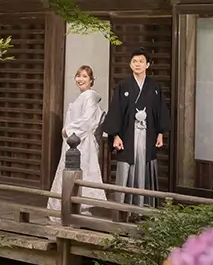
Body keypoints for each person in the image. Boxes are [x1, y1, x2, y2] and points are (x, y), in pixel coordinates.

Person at [102, 47, 170, 207]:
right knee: (127, 165)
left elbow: (160, 111)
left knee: (146, 165)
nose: (137, 64)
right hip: (127, 134)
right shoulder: (123, 86)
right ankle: (124, 209)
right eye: (134, 61)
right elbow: (116, 111)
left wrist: (161, 133)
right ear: (130, 64)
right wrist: (116, 135)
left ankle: (145, 207)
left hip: (148, 133)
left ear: (148, 65)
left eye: (141, 61)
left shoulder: (154, 87)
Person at [47, 65, 107, 222]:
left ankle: (72, 211)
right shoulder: (83, 97)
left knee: (78, 174)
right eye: (78, 76)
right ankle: (68, 210)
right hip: (75, 141)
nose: (81, 79)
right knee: (71, 174)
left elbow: (87, 121)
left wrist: (68, 129)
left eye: (85, 76)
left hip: (81, 142)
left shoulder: (89, 96)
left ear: (91, 80)